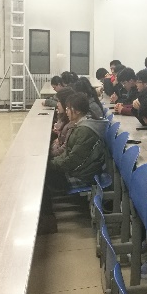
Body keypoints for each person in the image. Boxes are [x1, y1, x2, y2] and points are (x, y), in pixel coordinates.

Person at [41, 93, 108, 232]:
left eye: (68, 108)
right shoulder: (80, 126)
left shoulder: (85, 131)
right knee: (43, 171)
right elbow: (68, 155)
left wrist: (49, 164)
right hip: (78, 170)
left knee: (42, 177)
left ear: (77, 111)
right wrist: (51, 162)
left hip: (82, 175)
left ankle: (47, 221)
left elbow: (72, 161)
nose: (66, 111)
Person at [50, 87, 75, 157]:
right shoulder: (64, 117)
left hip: (58, 156)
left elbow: (63, 150)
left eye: (59, 101)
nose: (57, 104)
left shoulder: (71, 123)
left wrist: (49, 156)